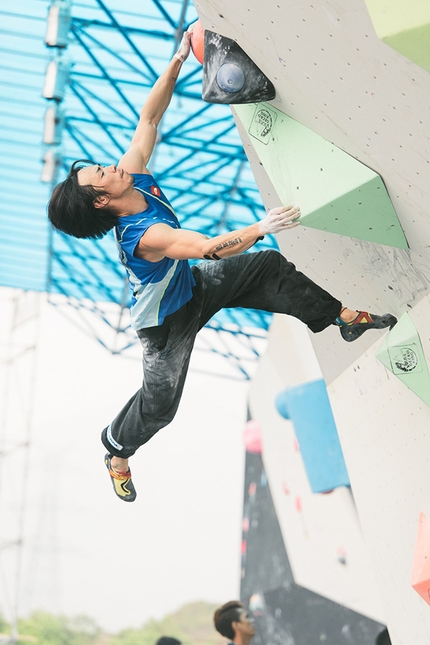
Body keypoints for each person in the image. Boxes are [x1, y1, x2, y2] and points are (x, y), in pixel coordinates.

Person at [47, 26, 397, 502]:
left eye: (102, 164)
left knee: (269, 266)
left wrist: (177, 61)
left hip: (192, 284)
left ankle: (341, 318)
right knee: (161, 407)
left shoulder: (135, 176)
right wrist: (258, 226)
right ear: (103, 200)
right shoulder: (143, 235)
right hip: (166, 324)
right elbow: (208, 247)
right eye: (101, 172)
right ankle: (115, 449)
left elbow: (149, 119)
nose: (111, 164)